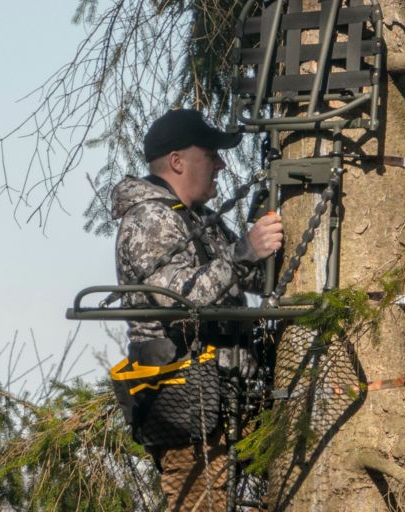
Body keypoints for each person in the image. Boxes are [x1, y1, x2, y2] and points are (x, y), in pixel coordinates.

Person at [110, 108, 282, 512]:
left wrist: (267, 241)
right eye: (211, 154)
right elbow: (180, 298)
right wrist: (245, 252)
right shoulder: (148, 219)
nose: (221, 164)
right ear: (177, 161)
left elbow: (247, 279)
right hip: (186, 404)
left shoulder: (199, 218)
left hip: (225, 395)